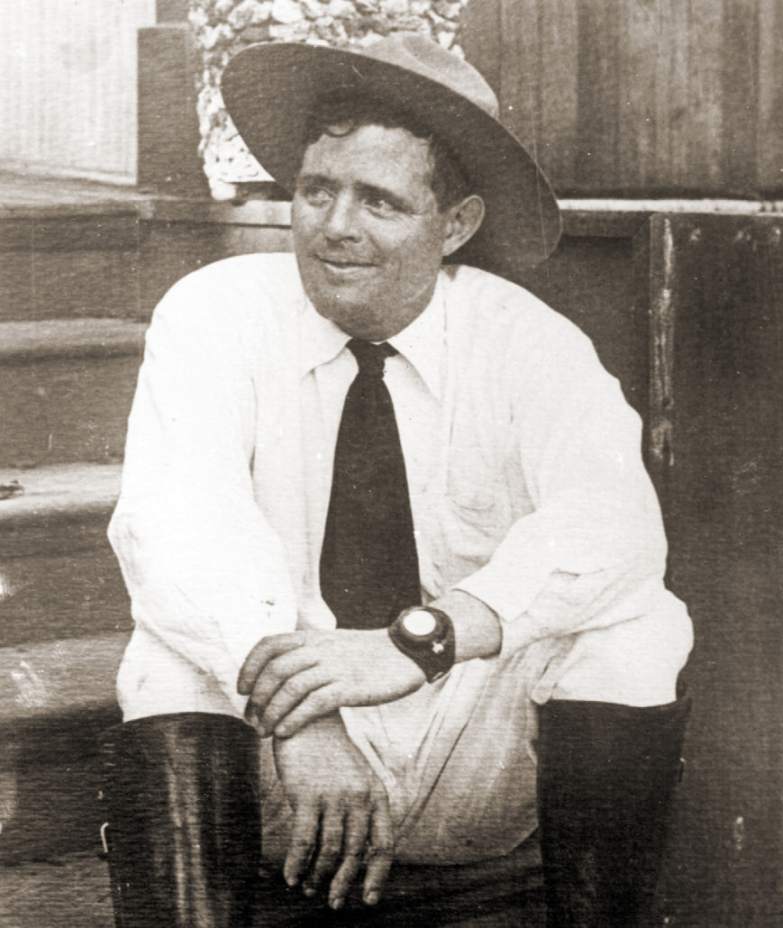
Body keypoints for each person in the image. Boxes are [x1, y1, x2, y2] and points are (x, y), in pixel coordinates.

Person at [102, 33, 693, 928]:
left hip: (457, 739)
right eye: (316, 190)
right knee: (166, 649)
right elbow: (179, 519)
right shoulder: (216, 313)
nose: (336, 225)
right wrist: (303, 711)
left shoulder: (527, 343)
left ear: (454, 225)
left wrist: (418, 642)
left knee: (641, 624)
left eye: (380, 200)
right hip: (281, 755)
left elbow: (615, 525)